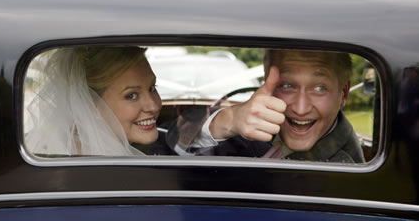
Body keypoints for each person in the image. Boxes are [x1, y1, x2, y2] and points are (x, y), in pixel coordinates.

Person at [175, 49, 365, 163]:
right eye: (288, 85)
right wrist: (229, 119)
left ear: (344, 93)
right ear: (267, 82)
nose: (300, 109)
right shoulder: (257, 123)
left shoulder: (342, 169)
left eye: (319, 88)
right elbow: (176, 143)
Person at [25, 46, 161, 156]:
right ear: (91, 103)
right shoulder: (97, 166)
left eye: (152, 88)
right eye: (132, 96)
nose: (153, 106)